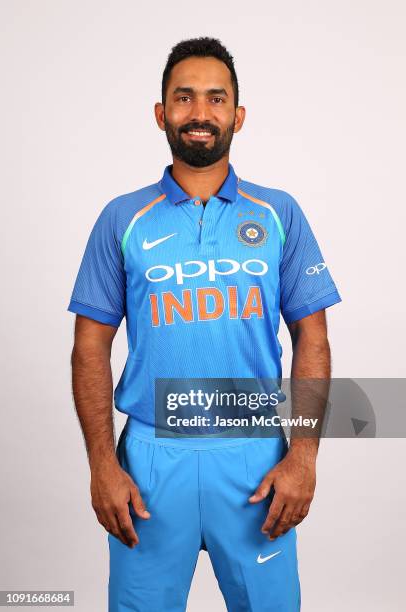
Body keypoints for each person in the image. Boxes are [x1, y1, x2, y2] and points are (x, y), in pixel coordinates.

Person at [67, 36, 342, 612]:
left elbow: (311, 337)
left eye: (216, 99)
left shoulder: (278, 213)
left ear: (237, 116)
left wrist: (304, 456)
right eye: (184, 98)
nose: (200, 112)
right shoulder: (122, 217)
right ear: (161, 113)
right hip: (149, 460)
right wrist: (101, 465)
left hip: (254, 458)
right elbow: (89, 349)